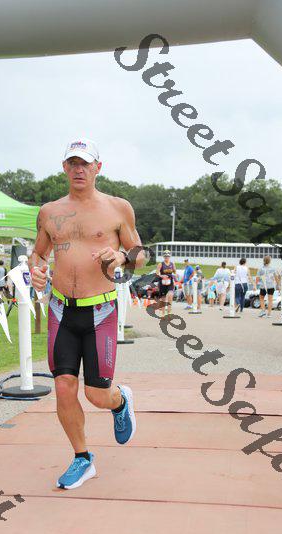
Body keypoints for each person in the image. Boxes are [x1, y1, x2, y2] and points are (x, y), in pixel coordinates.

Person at [29, 138, 145, 490]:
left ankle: (120, 401)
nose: (79, 169)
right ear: (64, 168)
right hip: (61, 310)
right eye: (73, 163)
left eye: (85, 163)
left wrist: (122, 256)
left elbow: (140, 253)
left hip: (100, 312)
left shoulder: (117, 208)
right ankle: (82, 458)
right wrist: (36, 269)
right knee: (64, 387)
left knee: (96, 395)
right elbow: (39, 253)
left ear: (98, 168)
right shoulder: (49, 211)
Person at [156, 250, 176, 317]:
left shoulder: (172, 264)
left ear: (169, 257)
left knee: (170, 296)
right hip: (162, 283)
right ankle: (163, 313)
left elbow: (175, 272)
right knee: (163, 298)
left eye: (167, 256)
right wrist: (162, 276)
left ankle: (169, 312)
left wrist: (174, 273)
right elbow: (157, 274)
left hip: (170, 282)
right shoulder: (161, 264)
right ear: (163, 257)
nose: (166, 257)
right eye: (165, 256)